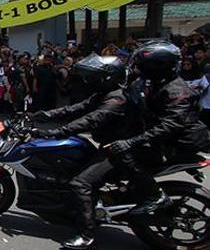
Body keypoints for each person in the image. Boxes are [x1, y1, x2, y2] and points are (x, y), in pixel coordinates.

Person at [30, 54, 141, 250]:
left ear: (107, 77)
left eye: (93, 77)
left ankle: (86, 235)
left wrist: (56, 132)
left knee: (80, 182)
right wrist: (44, 114)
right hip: (110, 145)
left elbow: (90, 120)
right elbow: (77, 108)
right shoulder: (105, 93)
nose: (88, 81)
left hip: (119, 150)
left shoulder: (117, 99)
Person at [107, 41, 210, 214]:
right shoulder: (159, 83)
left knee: (119, 154)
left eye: (142, 65)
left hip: (175, 144)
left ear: (157, 67)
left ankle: (154, 195)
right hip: (166, 140)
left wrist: (131, 141)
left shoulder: (177, 91)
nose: (138, 68)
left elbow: (169, 125)